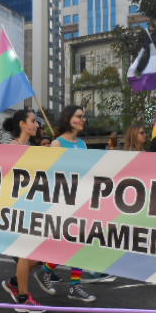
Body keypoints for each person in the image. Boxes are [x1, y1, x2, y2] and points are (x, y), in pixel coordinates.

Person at [33, 105, 102, 302]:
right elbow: (50, 176)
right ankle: (51, 274)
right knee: (71, 243)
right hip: (63, 201)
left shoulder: (82, 144)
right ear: (68, 118)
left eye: (84, 117)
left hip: (80, 199)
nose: (83, 120)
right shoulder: (57, 144)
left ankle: (70, 283)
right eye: (79, 116)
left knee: (77, 242)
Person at [0, 109, 47, 313]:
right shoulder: (11, 148)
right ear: (22, 124)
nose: (36, 125)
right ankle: (23, 299)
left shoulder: (32, 148)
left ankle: (14, 282)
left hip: (33, 207)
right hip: (16, 208)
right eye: (33, 121)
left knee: (44, 254)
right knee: (24, 253)